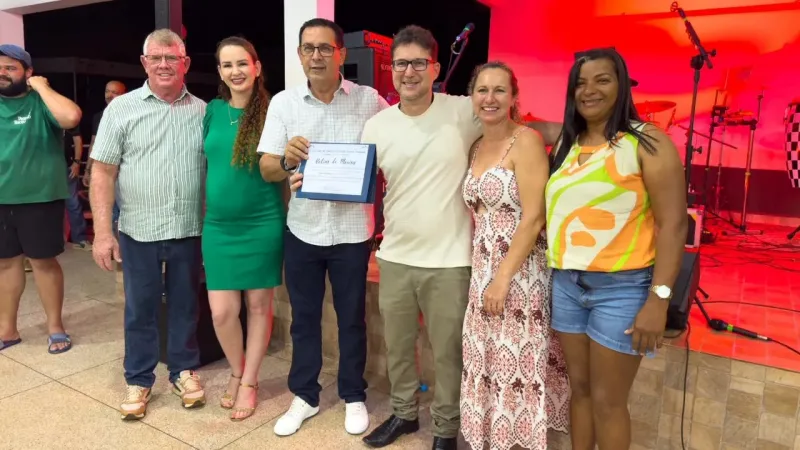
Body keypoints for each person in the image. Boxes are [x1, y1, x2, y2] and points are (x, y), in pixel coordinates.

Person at [290, 26, 563, 450]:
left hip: (451, 260)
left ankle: (445, 429)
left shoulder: (463, 110)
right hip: (395, 255)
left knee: (450, 353)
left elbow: (516, 127)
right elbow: (349, 175)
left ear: (435, 68)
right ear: (392, 69)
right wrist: (307, 178)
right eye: (401, 63)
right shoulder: (377, 124)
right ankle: (403, 414)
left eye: (419, 62)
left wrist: (588, 131)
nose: (409, 71)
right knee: (399, 348)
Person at [545, 48, 687, 450]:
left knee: (609, 402)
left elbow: (674, 224)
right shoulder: (567, 145)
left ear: (622, 85)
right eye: (580, 82)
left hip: (622, 290)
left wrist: (659, 300)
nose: (589, 90)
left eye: (602, 80)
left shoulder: (646, 140)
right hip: (567, 285)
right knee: (581, 391)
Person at [256, 18, 389, 437]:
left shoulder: (370, 101)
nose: (316, 55)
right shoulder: (283, 103)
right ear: (299, 55)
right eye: (308, 48)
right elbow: (266, 169)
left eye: (324, 48)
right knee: (304, 318)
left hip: (352, 233)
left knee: (352, 318)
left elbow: (395, 146)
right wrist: (287, 160)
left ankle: (353, 394)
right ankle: (306, 396)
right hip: (303, 230)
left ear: (341, 54)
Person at [89, 29, 207, 420]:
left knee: (186, 305)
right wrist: (103, 233)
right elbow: (103, 172)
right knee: (139, 308)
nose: (163, 65)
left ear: (185, 63)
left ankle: (183, 370)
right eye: (156, 58)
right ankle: (139, 378)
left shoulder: (202, 111)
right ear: (144, 63)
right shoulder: (121, 109)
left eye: (171, 58)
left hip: (189, 228)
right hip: (137, 229)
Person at [460, 61, 570, 450]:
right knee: (487, 357)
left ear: (513, 98)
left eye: (499, 90)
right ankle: (490, 438)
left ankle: (518, 441)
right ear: (472, 96)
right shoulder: (475, 146)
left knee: (516, 360)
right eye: (482, 90)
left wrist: (503, 277)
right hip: (482, 267)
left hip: (518, 271)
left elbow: (535, 215)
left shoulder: (524, 141)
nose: (489, 98)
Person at [204, 36, 283, 422]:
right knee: (222, 311)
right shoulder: (213, 111)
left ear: (257, 67)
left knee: (257, 306)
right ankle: (237, 369)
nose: (235, 71)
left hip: (262, 222)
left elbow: (285, 168)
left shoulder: (274, 110)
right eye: (227, 65)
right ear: (219, 71)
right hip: (217, 226)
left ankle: (249, 381)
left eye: (241, 63)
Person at [0, 44, 81, 355]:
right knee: (6, 264)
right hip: (2, 200)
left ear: (28, 73)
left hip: (40, 199)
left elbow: (71, 116)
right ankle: (8, 330)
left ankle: (55, 326)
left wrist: (42, 87)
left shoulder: (42, 103)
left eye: (11, 67)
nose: (3, 72)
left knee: (44, 263)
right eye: (0, 67)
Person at [84, 80, 126, 231]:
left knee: (125, 213)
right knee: (111, 214)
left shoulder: (131, 114)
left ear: (124, 95)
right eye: (108, 91)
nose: (110, 95)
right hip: (106, 173)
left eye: (115, 92)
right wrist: (88, 170)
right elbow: (94, 144)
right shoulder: (99, 116)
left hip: (127, 173)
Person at [63, 126, 92, 250]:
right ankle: (45, 241)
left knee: (73, 203)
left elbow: (77, 140)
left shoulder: (66, 116)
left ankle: (79, 238)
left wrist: (76, 162)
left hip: (66, 166)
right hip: (43, 168)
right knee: (44, 205)